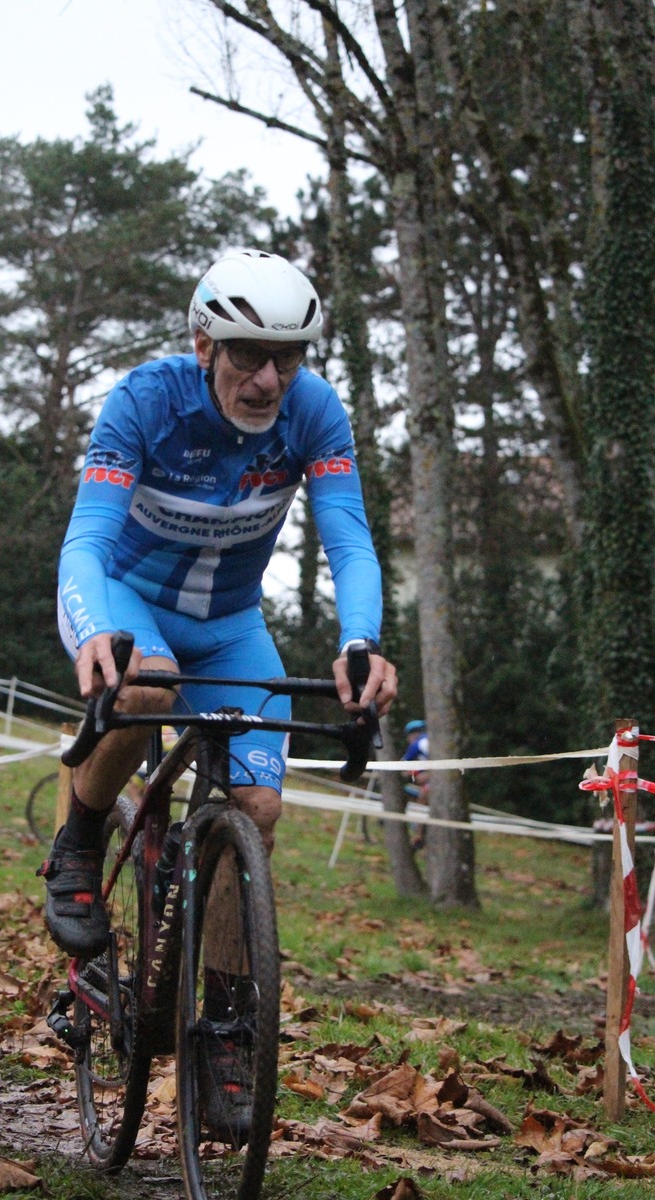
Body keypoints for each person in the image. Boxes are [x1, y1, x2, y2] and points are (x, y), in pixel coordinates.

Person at [39, 248, 398, 1139]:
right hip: (128, 603)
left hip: (231, 625)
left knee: (258, 807)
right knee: (149, 688)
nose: (268, 378)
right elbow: (87, 538)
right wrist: (96, 630)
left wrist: (360, 642)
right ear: (203, 344)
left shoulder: (314, 412)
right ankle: (79, 835)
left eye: (288, 357)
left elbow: (349, 540)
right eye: (248, 354)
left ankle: (229, 1024)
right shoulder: (145, 402)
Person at [401, 718, 430, 851]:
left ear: (413, 734)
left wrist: (412, 773)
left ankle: (418, 835)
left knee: (422, 799)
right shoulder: (430, 740)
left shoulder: (418, 743)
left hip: (434, 780)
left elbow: (402, 766)